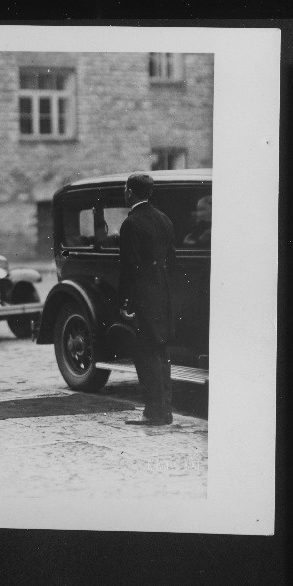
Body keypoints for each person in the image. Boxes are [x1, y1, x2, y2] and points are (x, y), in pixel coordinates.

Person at [118, 172, 177, 426]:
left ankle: (154, 413)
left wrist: (124, 302)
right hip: (162, 293)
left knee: (145, 354)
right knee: (161, 352)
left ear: (130, 192)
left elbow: (129, 267)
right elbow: (172, 258)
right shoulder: (164, 218)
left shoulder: (131, 223)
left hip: (142, 296)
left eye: (125, 190)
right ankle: (165, 410)